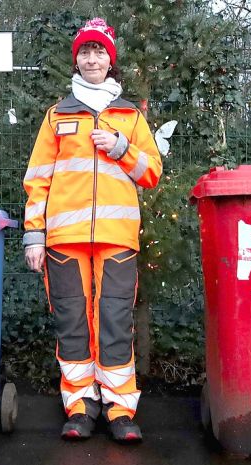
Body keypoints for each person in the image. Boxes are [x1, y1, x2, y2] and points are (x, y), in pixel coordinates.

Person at [22, 17, 162, 443]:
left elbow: (152, 172)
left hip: (117, 236)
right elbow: (38, 179)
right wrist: (34, 235)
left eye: (99, 50)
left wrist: (121, 148)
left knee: (115, 319)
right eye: (85, 51)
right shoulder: (57, 116)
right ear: (77, 60)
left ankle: (120, 408)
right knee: (72, 321)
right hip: (65, 239)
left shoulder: (130, 116)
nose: (92, 58)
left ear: (110, 60)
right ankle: (80, 405)